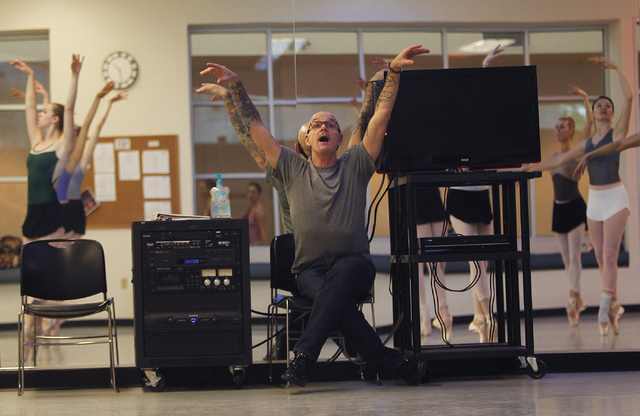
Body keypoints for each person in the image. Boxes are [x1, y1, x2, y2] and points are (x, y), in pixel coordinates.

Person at [201, 44, 430, 387]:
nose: (324, 127)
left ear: (339, 138)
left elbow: (378, 118)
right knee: (335, 301)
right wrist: (236, 86)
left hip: (356, 266)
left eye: (331, 124)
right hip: (310, 271)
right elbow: (255, 130)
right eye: (316, 124)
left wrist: (393, 71)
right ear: (307, 139)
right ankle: (391, 364)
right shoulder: (291, 169)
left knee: (341, 275)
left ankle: (303, 356)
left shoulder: (356, 164)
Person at [525, 56, 633, 336]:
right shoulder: (586, 144)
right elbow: (556, 161)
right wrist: (528, 168)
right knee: (601, 259)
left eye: (608, 105)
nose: (604, 108)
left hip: (615, 197)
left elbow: (629, 97)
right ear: (594, 113)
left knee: (609, 255)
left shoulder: (617, 133)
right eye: (599, 105)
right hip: (595, 202)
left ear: (611, 113)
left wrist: (617, 69)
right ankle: (614, 304)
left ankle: (603, 309)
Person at [525, 84, 592, 327]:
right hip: (559, 209)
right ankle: (577, 296)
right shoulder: (553, 158)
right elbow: (537, 166)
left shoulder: (577, 152)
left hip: (575, 207)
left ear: (571, 130)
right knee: (566, 259)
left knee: (575, 257)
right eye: (556, 127)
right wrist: (523, 168)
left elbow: (589, 125)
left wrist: (585, 97)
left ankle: (572, 299)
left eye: (562, 126)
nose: (558, 130)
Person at [11, 55, 83, 243]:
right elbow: (29, 106)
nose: (39, 115)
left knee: (49, 261)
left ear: (55, 119)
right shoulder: (37, 141)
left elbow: (69, 109)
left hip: (51, 212)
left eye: (45, 112)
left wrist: (75, 75)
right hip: (32, 211)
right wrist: (30, 75)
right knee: (28, 261)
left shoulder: (62, 146)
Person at [56, 85, 128, 238]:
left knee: (71, 245)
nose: (72, 134)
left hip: (74, 206)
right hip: (56, 205)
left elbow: (96, 128)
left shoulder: (81, 160)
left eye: (76, 132)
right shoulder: (58, 155)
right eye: (70, 131)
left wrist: (108, 103)